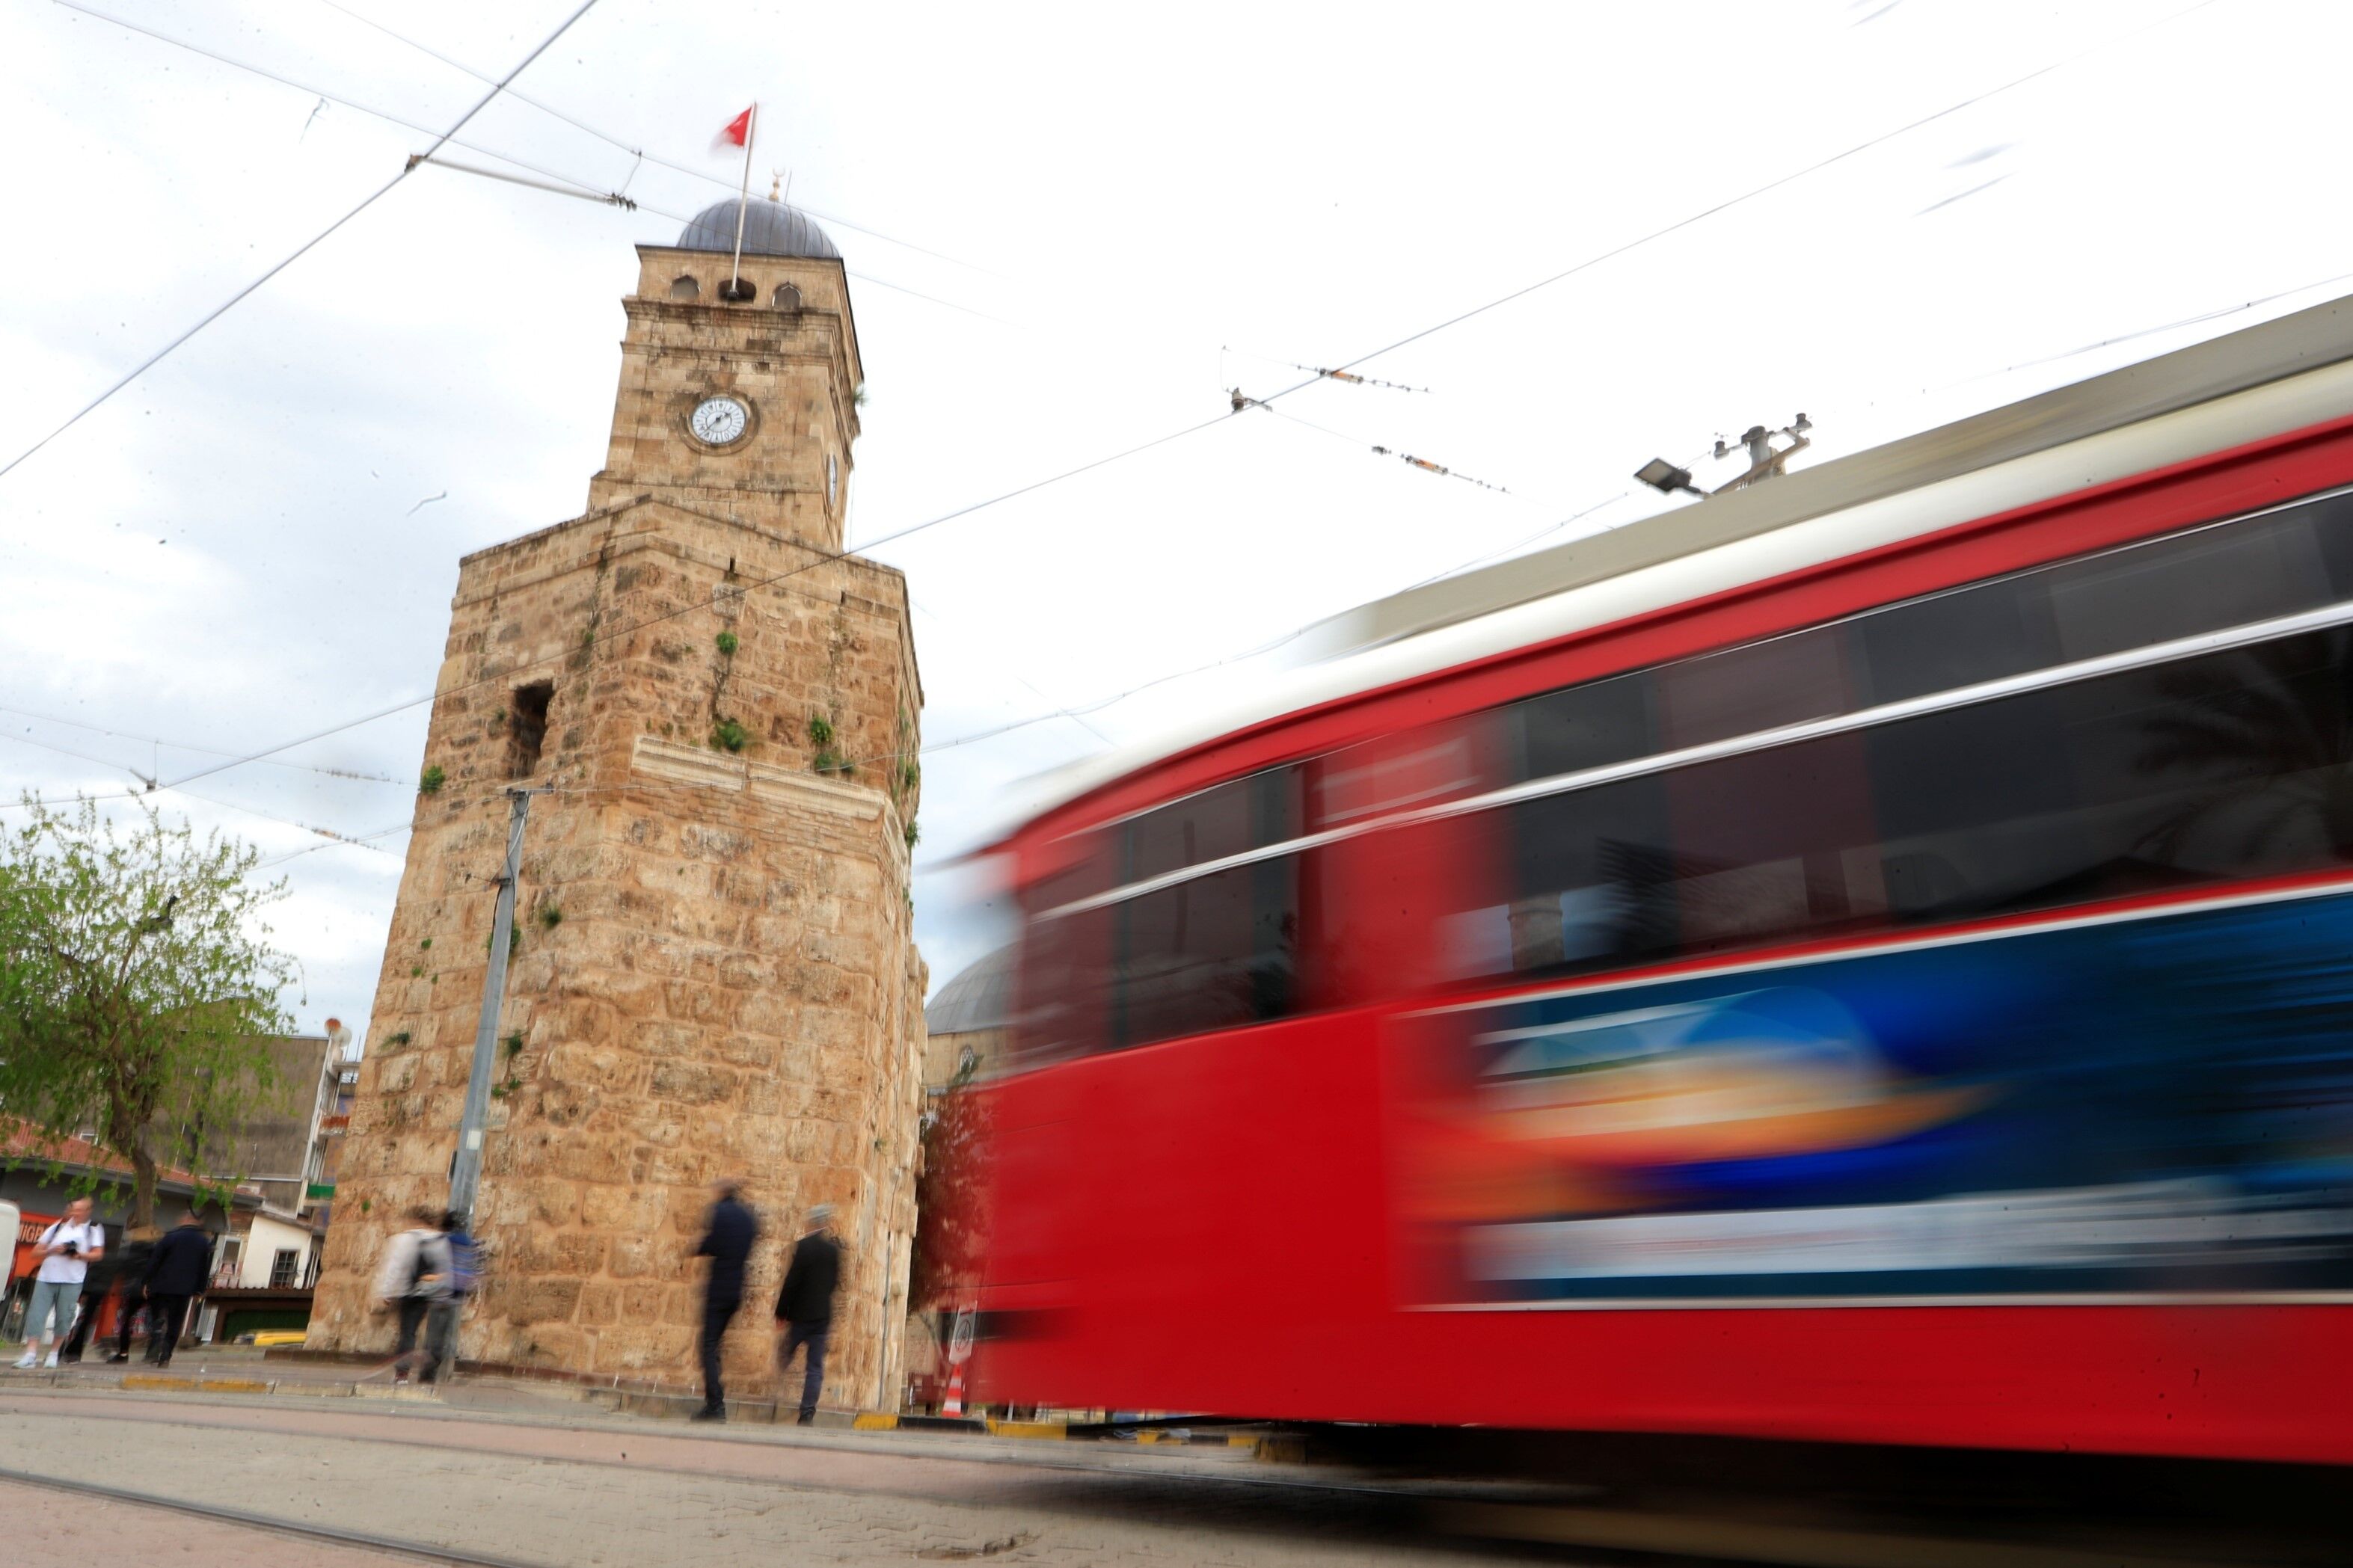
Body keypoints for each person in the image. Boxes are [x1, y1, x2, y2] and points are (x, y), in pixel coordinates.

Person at [691, 1177, 758, 1421]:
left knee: (708, 1345)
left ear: (722, 1192)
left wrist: (697, 1247)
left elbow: (714, 1243)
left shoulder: (719, 1211)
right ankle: (716, 1396)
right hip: (736, 1290)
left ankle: (715, 1405)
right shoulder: (749, 1218)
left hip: (719, 1289)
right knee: (714, 1344)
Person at [16, 1198, 104, 1370]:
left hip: (72, 1280)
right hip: (46, 1277)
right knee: (36, 1315)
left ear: (87, 1211)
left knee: (64, 1317)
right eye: (73, 1209)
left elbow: (98, 1254)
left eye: (79, 1210)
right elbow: (35, 1252)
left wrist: (80, 1255)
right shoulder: (57, 1227)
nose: (75, 1213)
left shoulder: (93, 1229)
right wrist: (51, 1250)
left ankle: (54, 1353)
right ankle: (30, 1354)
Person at [773, 1203, 841, 1425]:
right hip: (821, 1316)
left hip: (801, 1315)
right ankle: (807, 1412)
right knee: (815, 1367)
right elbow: (833, 1284)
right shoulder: (833, 1251)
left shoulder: (803, 1247)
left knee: (786, 1352)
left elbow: (792, 1282)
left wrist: (782, 1312)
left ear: (812, 1221)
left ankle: (776, 1391)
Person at [370, 1206, 452, 1385]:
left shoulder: (403, 1239)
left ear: (416, 1220)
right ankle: (430, 1364)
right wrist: (443, 1294)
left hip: (407, 1292)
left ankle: (402, 1374)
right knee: (429, 1330)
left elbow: (395, 1267)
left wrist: (387, 1292)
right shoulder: (439, 1240)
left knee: (408, 1332)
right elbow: (445, 1268)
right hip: (428, 1293)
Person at [141, 1210, 213, 1368]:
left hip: (161, 1285)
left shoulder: (170, 1237)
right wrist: (199, 1289)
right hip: (184, 1289)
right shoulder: (203, 1242)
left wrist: (146, 1281)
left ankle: (157, 1332)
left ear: (185, 1219)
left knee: (156, 1316)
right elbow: (204, 1268)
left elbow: (155, 1260)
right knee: (175, 1322)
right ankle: (166, 1355)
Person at [425, 1209, 477, 1384]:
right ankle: (441, 1366)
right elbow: (471, 1268)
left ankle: (430, 1372)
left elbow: (435, 1267)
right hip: (457, 1294)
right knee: (445, 1333)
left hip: (440, 1293)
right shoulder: (467, 1243)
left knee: (434, 1335)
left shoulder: (443, 1242)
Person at [104, 1226, 161, 1364]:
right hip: (152, 1289)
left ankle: (123, 1353)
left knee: (127, 1320)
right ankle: (153, 1354)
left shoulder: (130, 1250)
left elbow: (121, 1269)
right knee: (156, 1321)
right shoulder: (157, 1251)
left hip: (133, 1288)